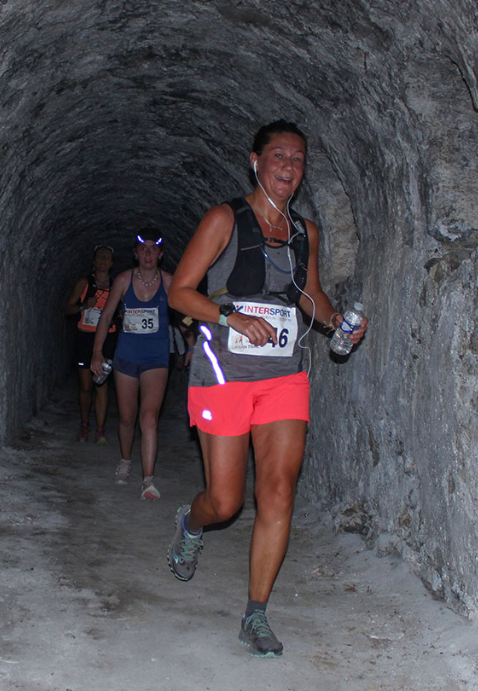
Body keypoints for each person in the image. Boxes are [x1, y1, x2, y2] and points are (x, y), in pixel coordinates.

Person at [165, 120, 368, 658]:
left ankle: (255, 613)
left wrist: (337, 322)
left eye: (298, 159)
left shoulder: (307, 233)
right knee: (225, 502)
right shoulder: (223, 220)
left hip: (283, 377)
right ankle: (191, 522)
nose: (288, 167)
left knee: (278, 490)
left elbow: (311, 297)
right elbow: (181, 295)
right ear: (255, 160)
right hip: (225, 373)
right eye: (279, 156)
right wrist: (228, 315)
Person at [91, 226, 175, 501]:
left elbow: (186, 313)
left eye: (153, 249)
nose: (148, 254)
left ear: (160, 254)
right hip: (126, 356)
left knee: (148, 416)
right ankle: (126, 461)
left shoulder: (169, 282)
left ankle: (148, 480)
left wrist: (193, 339)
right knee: (127, 417)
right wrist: (97, 352)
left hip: (156, 359)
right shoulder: (124, 281)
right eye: (143, 249)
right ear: (136, 254)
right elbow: (105, 317)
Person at [63, 245, 118, 443]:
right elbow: (68, 309)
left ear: (111, 264)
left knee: (101, 384)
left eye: (107, 257)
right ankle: (85, 424)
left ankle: (100, 430)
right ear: (94, 261)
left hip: (106, 340)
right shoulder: (84, 283)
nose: (103, 260)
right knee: (86, 386)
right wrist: (82, 306)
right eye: (100, 257)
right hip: (85, 337)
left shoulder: (116, 286)